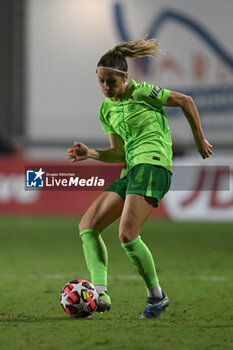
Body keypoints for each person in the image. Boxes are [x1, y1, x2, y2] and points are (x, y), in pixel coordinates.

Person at [67, 37, 213, 319]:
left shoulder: (143, 92)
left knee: (126, 234)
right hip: (132, 168)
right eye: (101, 81)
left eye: (111, 81)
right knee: (87, 225)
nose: (106, 87)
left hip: (154, 165)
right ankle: (99, 290)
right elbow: (118, 153)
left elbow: (185, 100)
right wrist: (91, 153)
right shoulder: (107, 109)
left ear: (126, 77)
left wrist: (199, 139)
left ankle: (156, 296)